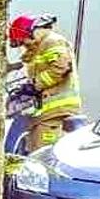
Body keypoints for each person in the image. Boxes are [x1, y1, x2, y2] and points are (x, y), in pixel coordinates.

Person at [8, 14, 82, 167]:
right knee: (34, 151)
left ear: (32, 32)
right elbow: (27, 63)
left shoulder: (53, 41)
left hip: (56, 110)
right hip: (45, 113)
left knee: (43, 159)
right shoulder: (38, 46)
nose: (25, 45)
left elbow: (60, 68)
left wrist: (35, 85)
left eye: (24, 41)